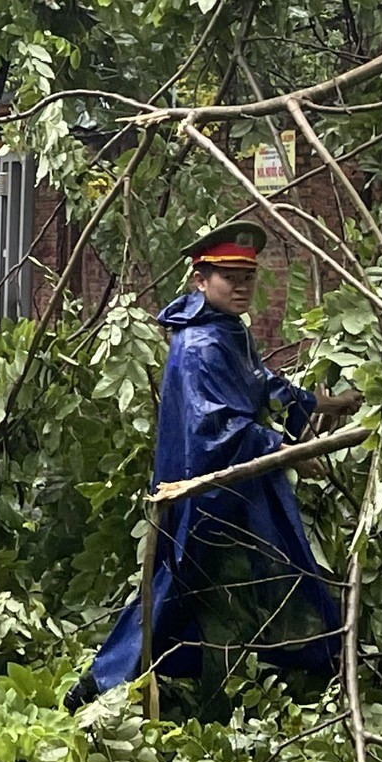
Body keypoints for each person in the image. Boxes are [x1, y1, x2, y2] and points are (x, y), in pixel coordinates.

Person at [71, 221, 345, 710]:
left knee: (206, 591)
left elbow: (260, 384)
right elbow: (215, 431)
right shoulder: (198, 346)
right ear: (200, 280)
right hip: (207, 497)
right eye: (228, 277)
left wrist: (321, 405)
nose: (240, 287)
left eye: (247, 278)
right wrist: (287, 450)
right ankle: (112, 689)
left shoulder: (228, 333)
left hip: (234, 491)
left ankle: (140, 686)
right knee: (196, 590)